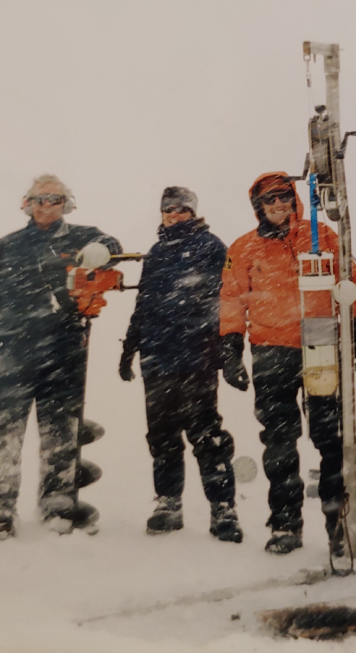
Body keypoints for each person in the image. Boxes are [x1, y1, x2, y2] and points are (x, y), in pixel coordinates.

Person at [219, 172, 356, 556]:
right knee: (280, 442)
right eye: (270, 199)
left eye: (285, 197)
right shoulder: (244, 248)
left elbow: (348, 278)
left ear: (295, 199)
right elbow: (232, 298)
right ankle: (285, 524)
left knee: (331, 438)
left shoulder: (321, 236)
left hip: (320, 342)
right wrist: (231, 348)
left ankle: (341, 527)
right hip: (271, 352)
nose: (278, 205)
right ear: (259, 206)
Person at [0, 174, 122, 539]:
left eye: (54, 199)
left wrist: (103, 248)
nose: (47, 206)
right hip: (11, 355)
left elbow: (113, 245)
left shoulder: (81, 236)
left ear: (65, 204)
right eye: (40, 199)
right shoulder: (8, 245)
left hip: (64, 352)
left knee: (61, 435)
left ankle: (58, 506)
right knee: (1, 436)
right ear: (28, 203)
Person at [119, 187, 242, 542]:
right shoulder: (156, 253)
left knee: (207, 436)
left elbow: (228, 302)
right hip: (157, 359)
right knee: (162, 437)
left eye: (182, 209)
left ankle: (223, 509)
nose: (175, 214)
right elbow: (143, 305)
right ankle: (168, 504)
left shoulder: (212, 247)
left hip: (196, 357)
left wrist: (226, 352)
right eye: (169, 209)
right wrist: (130, 347)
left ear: (194, 212)